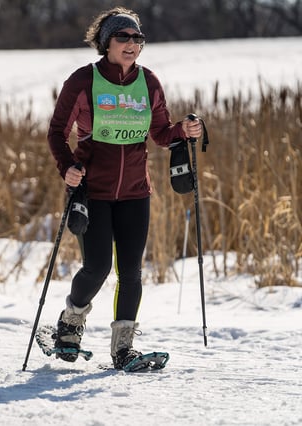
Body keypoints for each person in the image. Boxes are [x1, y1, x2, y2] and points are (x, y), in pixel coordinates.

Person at [47, 7, 202, 369]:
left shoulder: (148, 82)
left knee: (131, 271)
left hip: (135, 190)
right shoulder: (83, 81)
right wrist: (68, 167)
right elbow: (57, 132)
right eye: (123, 37)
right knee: (97, 267)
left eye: (137, 38)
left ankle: (123, 348)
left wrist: (184, 130)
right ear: (106, 43)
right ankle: (70, 323)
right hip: (93, 189)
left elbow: (161, 133)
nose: (132, 44)